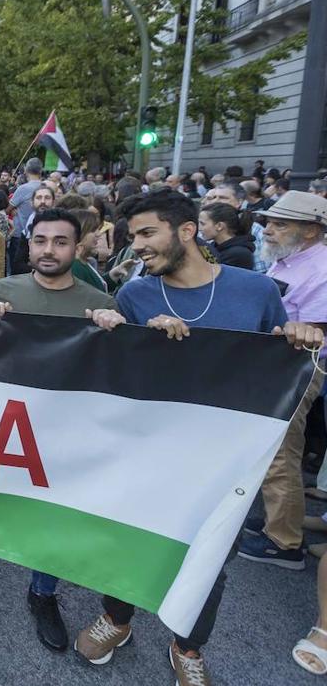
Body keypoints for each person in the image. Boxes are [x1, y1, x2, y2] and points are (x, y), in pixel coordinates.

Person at [73, 189, 321, 686]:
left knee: (210, 558)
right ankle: (118, 620)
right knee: (132, 540)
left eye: (147, 233)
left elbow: (274, 371)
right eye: (132, 236)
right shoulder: (136, 296)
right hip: (148, 452)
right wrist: (116, 330)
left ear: (187, 231)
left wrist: (298, 339)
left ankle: (188, 645)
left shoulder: (257, 291)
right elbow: (119, 379)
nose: (137, 246)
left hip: (226, 464)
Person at [0, 208, 117, 651]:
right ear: (30, 244)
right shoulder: (3, 290)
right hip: (1, 425)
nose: (48, 250)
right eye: (40, 240)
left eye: (60, 242)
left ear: (76, 249)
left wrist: (116, 332)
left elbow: (117, 375)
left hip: (64, 433)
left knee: (50, 513)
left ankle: (43, 594)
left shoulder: (100, 301)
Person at [239, 192, 327, 570]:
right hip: (275, 368)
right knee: (272, 452)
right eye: (268, 223)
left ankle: (285, 542)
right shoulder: (289, 260)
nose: (269, 230)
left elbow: (315, 331)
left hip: (297, 370)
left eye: (280, 224)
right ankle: (280, 522)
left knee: (281, 456)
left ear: (310, 231)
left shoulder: (322, 270)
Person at [198, 202, 255, 270]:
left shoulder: (238, 254)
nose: (199, 228)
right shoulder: (214, 246)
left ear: (219, 226)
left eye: (202, 224)